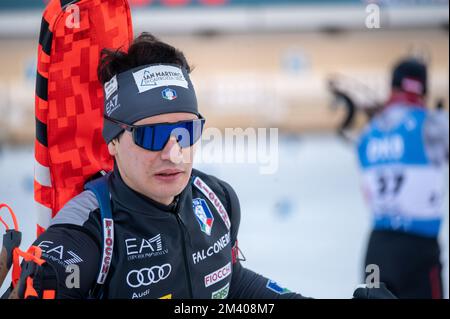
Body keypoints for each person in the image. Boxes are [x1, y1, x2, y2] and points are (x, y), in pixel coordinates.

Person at [3, 33, 394, 299]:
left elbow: (229, 283)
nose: (174, 154)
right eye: (152, 136)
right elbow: (55, 267)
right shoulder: (93, 224)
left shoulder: (217, 199)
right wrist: (35, 279)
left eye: (186, 132)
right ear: (114, 141)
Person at [356, 57, 449, 299]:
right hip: (418, 248)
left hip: (377, 247)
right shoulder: (433, 124)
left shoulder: (369, 132)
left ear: (393, 87)